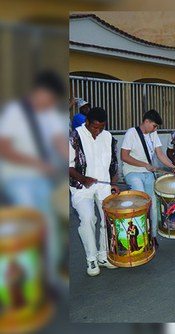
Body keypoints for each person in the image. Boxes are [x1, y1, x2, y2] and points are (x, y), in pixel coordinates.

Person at [0, 71, 69, 286]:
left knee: (49, 226)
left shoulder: (50, 115)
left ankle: (44, 276)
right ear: (39, 92)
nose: (52, 103)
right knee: (28, 224)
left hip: (41, 178)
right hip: (15, 177)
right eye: (50, 98)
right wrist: (36, 163)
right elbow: (3, 148)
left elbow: (59, 144)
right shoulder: (14, 112)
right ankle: (18, 277)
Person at [120, 109, 175, 247]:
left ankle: (152, 236)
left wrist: (173, 167)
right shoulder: (132, 133)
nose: (155, 129)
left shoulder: (153, 133)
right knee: (141, 203)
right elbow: (124, 156)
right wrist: (144, 165)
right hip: (132, 172)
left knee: (153, 205)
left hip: (147, 173)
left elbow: (160, 154)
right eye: (154, 125)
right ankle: (140, 237)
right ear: (146, 121)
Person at [69, 107, 120, 277]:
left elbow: (113, 163)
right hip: (81, 186)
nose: (97, 131)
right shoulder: (74, 137)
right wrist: (83, 179)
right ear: (87, 123)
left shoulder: (108, 137)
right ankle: (91, 258)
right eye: (94, 127)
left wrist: (113, 184)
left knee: (108, 219)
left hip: (103, 185)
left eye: (101, 127)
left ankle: (103, 255)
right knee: (88, 219)